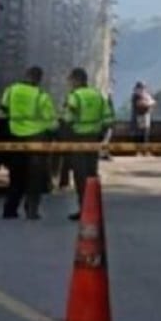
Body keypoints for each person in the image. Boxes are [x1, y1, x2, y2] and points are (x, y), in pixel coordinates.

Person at [0, 66, 58, 220]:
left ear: (25, 75)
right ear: (39, 79)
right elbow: (51, 122)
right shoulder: (41, 95)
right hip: (36, 139)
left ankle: (9, 209)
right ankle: (31, 211)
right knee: (35, 178)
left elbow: (3, 110)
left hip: (15, 137)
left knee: (16, 175)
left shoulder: (11, 90)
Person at [63, 68, 115, 221]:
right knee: (92, 175)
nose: (69, 83)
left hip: (79, 139)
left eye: (70, 80)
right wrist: (100, 135)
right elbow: (108, 119)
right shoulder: (98, 95)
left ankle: (84, 210)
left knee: (80, 176)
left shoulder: (75, 96)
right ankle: (94, 209)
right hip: (93, 140)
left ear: (76, 80)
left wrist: (66, 136)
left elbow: (68, 119)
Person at [130, 82, 155, 150]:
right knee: (139, 133)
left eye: (143, 87)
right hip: (138, 117)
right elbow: (141, 104)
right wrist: (148, 103)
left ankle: (145, 150)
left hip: (146, 116)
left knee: (146, 133)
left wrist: (148, 102)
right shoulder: (135, 96)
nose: (142, 89)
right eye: (141, 87)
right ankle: (139, 150)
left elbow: (153, 102)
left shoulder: (146, 95)